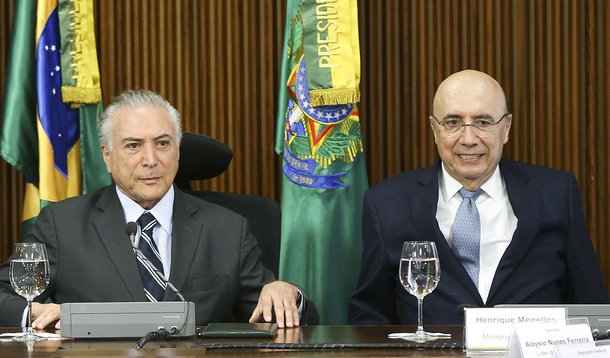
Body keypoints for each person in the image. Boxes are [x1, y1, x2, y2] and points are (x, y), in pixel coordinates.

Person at [0, 89, 316, 329]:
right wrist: (34, 311)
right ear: (107, 156)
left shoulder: (228, 228)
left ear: (177, 152)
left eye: (163, 144)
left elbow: (281, 313)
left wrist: (289, 295)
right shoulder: (62, 223)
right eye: (133, 145)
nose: (151, 159)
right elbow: (3, 295)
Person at [348, 69, 609, 325]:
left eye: (483, 122)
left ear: (506, 128)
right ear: (435, 129)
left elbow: (592, 306)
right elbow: (369, 313)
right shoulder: (387, 204)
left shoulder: (555, 193)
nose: (469, 139)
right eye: (453, 123)